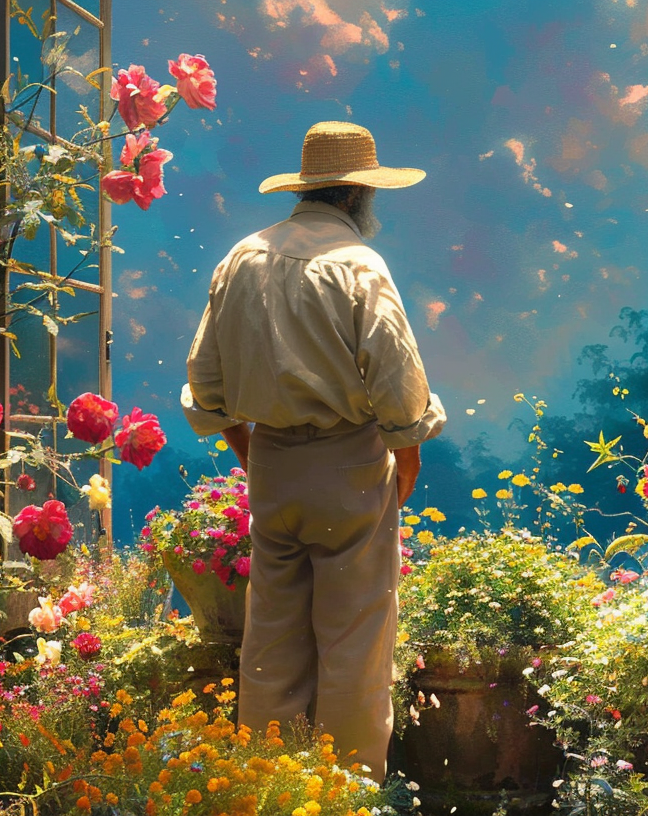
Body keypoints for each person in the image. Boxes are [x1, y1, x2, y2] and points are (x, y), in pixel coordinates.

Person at [181, 121, 446, 779]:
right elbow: (399, 388)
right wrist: (404, 461)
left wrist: (252, 453)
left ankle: (268, 787)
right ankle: (345, 792)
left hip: (272, 466)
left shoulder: (241, 257)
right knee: (354, 644)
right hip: (350, 465)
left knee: (270, 641)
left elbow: (205, 388)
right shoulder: (359, 266)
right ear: (359, 195)